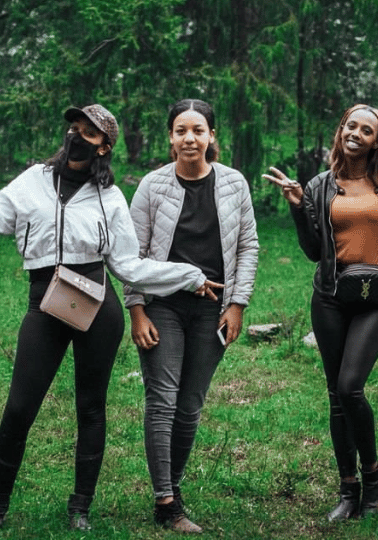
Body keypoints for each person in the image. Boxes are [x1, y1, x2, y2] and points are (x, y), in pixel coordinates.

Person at [0, 104, 223, 532]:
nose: (76, 136)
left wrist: (189, 275)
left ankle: (80, 508)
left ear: (104, 145)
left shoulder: (110, 197)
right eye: (74, 128)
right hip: (44, 304)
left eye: (89, 132)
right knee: (19, 407)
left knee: (91, 408)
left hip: (97, 305)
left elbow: (129, 266)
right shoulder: (33, 181)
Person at [264, 104, 378, 521]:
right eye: (351, 126)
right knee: (335, 398)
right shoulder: (319, 186)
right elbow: (314, 250)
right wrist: (297, 205)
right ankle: (349, 489)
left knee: (350, 387)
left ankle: (374, 474)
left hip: (377, 298)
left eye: (367, 130)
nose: (356, 134)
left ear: (377, 142)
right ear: (341, 130)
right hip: (330, 296)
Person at [126, 99, 259, 533]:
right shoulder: (152, 186)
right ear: (170, 137)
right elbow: (133, 256)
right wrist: (137, 310)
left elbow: (248, 247)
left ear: (211, 136)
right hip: (162, 306)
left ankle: (173, 486)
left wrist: (237, 303)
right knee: (162, 402)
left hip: (213, 311)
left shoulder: (234, 184)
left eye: (198, 130)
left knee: (189, 407)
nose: (190, 138)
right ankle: (166, 502)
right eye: (181, 130)